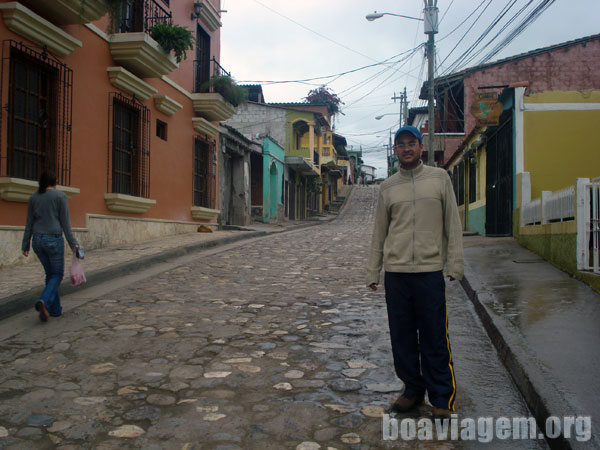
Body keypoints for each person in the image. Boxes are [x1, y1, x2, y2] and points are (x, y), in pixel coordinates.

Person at [366, 125, 464, 419]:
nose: (406, 148)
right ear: (395, 150)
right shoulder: (388, 187)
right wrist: (374, 270)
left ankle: (442, 398)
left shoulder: (439, 178)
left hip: (429, 271)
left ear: (421, 147)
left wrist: (455, 264)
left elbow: (453, 224)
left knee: (434, 336)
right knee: (402, 336)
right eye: (401, 144)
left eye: (411, 143)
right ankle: (411, 390)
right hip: (397, 274)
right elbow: (379, 231)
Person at [22, 170, 80, 322]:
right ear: (54, 182)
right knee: (57, 275)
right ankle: (44, 301)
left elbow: (29, 223)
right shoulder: (60, 196)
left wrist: (25, 243)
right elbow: (65, 223)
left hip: (37, 241)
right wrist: (74, 244)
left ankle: (55, 310)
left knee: (50, 274)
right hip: (53, 240)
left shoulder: (33, 197)